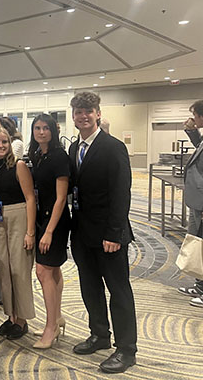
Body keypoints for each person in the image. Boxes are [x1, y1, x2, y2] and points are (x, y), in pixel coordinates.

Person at [68, 92, 137, 373]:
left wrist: (114, 233)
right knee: (90, 287)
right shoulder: (74, 148)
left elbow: (122, 194)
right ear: (73, 116)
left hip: (109, 235)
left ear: (98, 113)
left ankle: (126, 349)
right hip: (82, 232)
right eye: (78, 112)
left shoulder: (113, 147)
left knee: (118, 291)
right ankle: (99, 335)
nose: (83, 116)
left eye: (88, 111)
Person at [0, 127, 36, 340]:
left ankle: (22, 319)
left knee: (19, 270)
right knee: (4, 269)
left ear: (10, 144)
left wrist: (30, 232)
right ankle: (11, 316)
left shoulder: (19, 165)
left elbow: (30, 199)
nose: (0, 146)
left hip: (19, 216)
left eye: (4, 142)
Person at [27, 114, 71, 349]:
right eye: (37, 128)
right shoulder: (39, 155)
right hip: (43, 218)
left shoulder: (59, 157)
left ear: (54, 131)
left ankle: (51, 327)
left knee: (43, 271)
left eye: (46, 128)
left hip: (55, 220)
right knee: (52, 271)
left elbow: (61, 198)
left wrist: (49, 231)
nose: (41, 132)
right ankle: (57, 317)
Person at [180, 100, 203, 308]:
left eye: (195, 115)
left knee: (202, 244)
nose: (193, 119)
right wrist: (193, 132)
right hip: (197, 201)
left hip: (202, 202)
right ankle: (200, 285)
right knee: (196, 241)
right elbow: (200, 148)